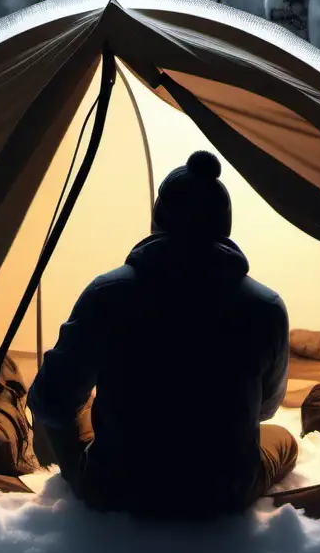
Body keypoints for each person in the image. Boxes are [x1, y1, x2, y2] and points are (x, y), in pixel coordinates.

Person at [27, 149, 298, 520]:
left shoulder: (107, 292)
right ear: (225, 226)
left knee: (60, 396)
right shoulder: (266, 306)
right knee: (282, 438)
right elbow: (266, 408)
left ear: (158, 219)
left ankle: (89, 472)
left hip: (116, 488)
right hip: (222, 491)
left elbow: (50, 401)